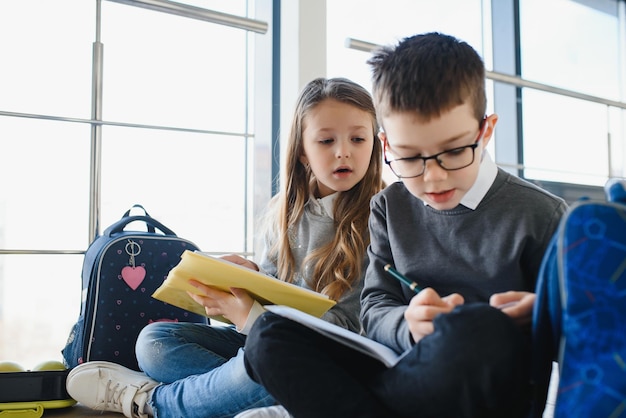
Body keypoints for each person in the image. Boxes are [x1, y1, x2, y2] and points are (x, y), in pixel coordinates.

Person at [242, 32, 568, 418]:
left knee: (478, 328)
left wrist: (546, 313)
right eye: (410, 158)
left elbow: (589, 332)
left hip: (478, 386)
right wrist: (408, 323)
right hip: (399, 375)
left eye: (453, 152)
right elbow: (375, 309)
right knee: (268, 336)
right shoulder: (388, 207)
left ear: (486, 131)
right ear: (386, 146)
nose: (433, 178)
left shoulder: (543, 215)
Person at [64, 77, 384, 418]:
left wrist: (252, 318)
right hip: (263, 343)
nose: (343, 151)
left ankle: (154, 402)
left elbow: (351, 329)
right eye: (326, 140)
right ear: (303, 152)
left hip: (321, 356)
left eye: (358, 138)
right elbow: (279, 286)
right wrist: (250, 278)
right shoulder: (284, 211)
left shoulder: (379, 218)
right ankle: (242, 391)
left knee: (273, 368)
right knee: (154, 343)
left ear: (374, 144)